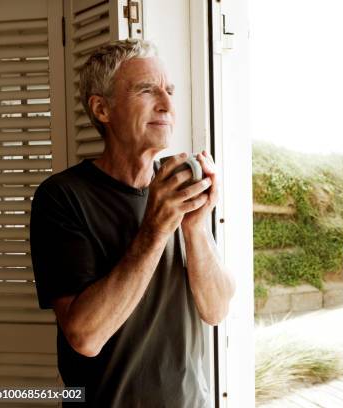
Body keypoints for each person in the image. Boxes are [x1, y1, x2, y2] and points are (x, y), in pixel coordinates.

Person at [30, 39, 235, 407]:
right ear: (102, 109)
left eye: (169, 91)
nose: (168, 105)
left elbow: (216, 310)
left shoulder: (178, 186)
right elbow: (85, 337)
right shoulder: (62, 196)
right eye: (146, 90)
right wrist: (155, 229)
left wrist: (194, 227)